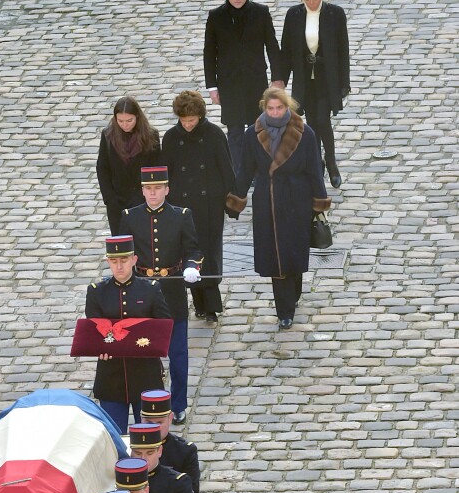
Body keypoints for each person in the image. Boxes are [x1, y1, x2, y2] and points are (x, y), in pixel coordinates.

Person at [226, 88, 331, 329]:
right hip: (267, 201)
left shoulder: (305, 133)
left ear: (288, 107)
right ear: (264, 108)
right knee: (276, 256)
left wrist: (319, 202)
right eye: (270, 109)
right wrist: (236, 200)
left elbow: (315, 169)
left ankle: (292, 294)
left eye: (279, 108)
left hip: (298, 200)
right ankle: (284, 310)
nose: (274, 113)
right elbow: (245, 170)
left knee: (294, 252)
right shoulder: (253, 134)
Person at [119, 167, 203, 425]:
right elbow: (122, 252)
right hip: (142, 294)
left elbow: (193, 248)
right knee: (144, 353)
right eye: (148, 189)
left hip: (172, 292)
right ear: (143, 190)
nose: (153, 193)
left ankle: (178, 404)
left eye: (158, 188)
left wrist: (191, 266)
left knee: (177, 353)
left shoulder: (181, 216)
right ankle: (150, 401)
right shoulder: (130, 217)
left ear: (167, 189)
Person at [85, 234, 172, 434]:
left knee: (150, 436)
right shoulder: (97, 292)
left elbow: (164, 326)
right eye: (114, 261)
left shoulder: (150, 289)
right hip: (111, 377)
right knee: (114, 439)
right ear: (108, 262)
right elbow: (93, 328)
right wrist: (99, 348)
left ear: (134, 260)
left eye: (124, 260)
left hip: (145, 374)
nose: (119, 266)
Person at [161, 90, 235, 323]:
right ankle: (199, 302)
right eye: (184, 121)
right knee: (187, 253)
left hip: (209, 204)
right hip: (181, 206)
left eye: (191, 120)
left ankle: (212, 305)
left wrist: (231, 201)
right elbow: (167, 172)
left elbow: (226, 169)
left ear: (200, 116)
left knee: (209, 254)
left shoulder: (213, 134)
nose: (188, 125)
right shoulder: (171, 138)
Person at [203, 0, 284, 171]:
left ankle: (258, 170)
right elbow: (209, 52)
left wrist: (278, 78)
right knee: (234, 130)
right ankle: (238, 172)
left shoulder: (261, 12)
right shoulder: (216, 16)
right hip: (228, 83)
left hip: (256, 80)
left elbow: (272, 45)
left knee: (258, 128)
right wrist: (212, 86)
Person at [281, 0, 350, 188]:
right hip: (304, 79)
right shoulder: (293, 15)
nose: (312, 3)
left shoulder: (335, 14)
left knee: (322, 119)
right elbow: (287, 50)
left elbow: (343, 50)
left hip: (326, 79)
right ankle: (317, 163)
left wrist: (344, 84)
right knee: (311, 123)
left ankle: (330, 162)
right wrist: (280, 80)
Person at [97, 97, 162, 235]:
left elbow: (156, 168)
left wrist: (147, 195)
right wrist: (110, 198)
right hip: (117, 200)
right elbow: (103, 168)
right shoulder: (108, 136)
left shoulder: (150, 136)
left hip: (143, 199)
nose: (125, 125)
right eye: (120, 121)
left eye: (129, 121)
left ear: (137, 117)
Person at [141, 389, 200, 493]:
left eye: (159, 422)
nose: (154, 428)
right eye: (148, 422)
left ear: (170, 418)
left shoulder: (185, 451)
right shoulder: (129, 450)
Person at [129, 423, 194, 493]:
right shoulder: (121, 481)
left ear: (159, 451)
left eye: (149, 453)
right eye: (138, 453)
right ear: (131, 452)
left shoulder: (178, 483)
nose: (143, 459)